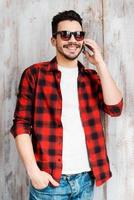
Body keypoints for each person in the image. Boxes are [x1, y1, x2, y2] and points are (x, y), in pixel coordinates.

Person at [10, 10, 123, 200]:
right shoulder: (35, 74)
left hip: (86, 179)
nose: (72, 40)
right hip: (50, 182)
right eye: (65, 34)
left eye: (78, 35)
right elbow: (21, 124)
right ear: (54, 40)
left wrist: (100, 63)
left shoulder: (92, 77)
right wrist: (33, 172)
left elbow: (115, 108)